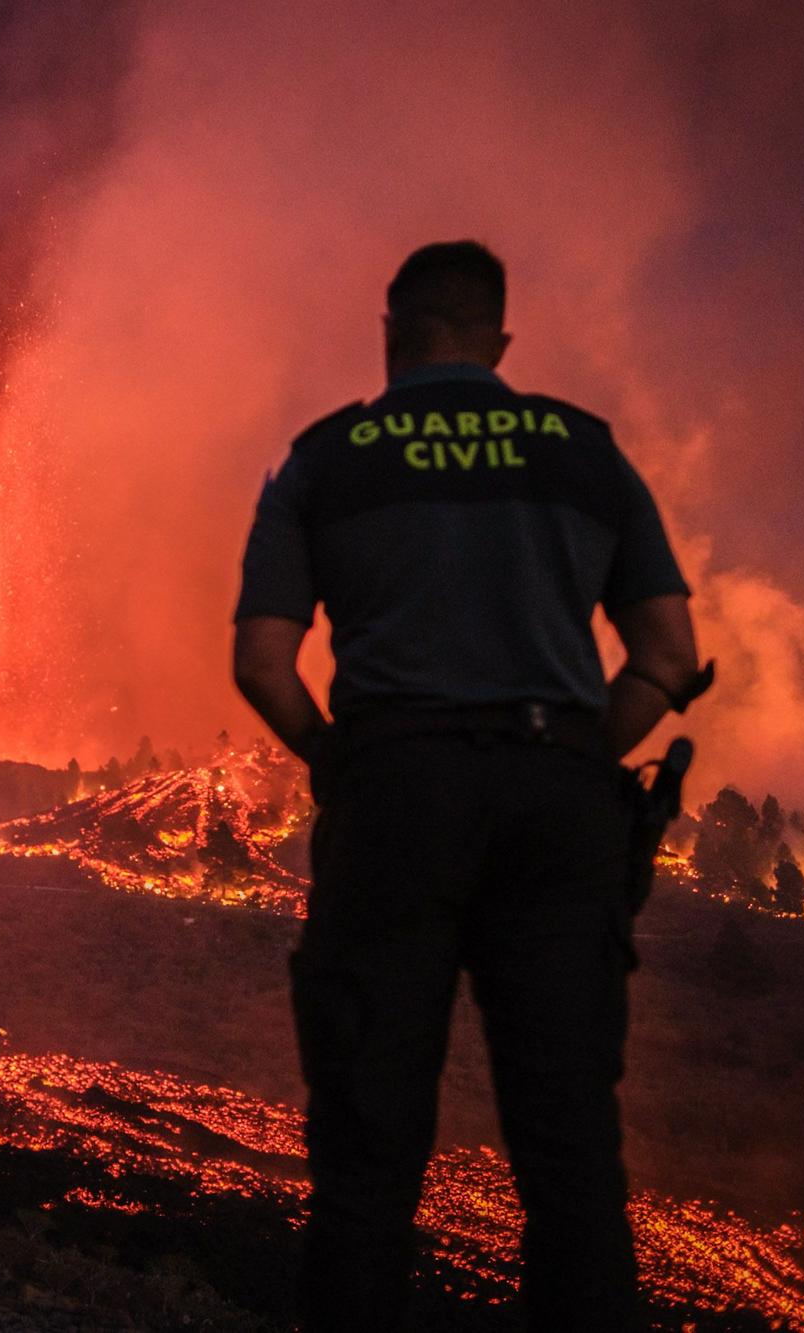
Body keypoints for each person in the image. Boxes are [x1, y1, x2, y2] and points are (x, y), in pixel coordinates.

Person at [232, 240, 701, 1330]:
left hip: (394, 795)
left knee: (365, 1146)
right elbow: (667, 655)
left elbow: (261, 662)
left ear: (389, 334)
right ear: (498, 343)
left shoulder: (325, 459)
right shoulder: (584, 455)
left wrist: (341, 765)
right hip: (557, 809)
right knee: (570, 1148)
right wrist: (583, 756)